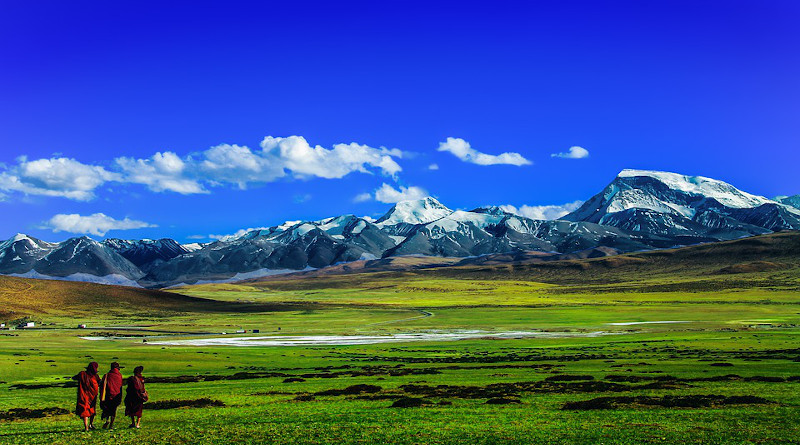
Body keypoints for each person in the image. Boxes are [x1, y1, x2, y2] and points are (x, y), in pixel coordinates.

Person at [72, 362, 100, 432]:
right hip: (92, 396)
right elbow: (100, 382)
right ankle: (91, 424)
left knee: (84, 410)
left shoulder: (82, 374)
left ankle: (86, 427)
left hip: (84, 395)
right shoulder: (95, 376)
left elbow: (74, 378)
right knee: (92, 409)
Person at [100, 362, 124, 429]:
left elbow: (102, 385)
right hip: (117, 395)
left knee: (107, 408)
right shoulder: (119, 375)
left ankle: (107, 420)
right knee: (114, 410)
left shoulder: (107, 375)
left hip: (108, 395)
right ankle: (111, 424)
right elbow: (120, 386)